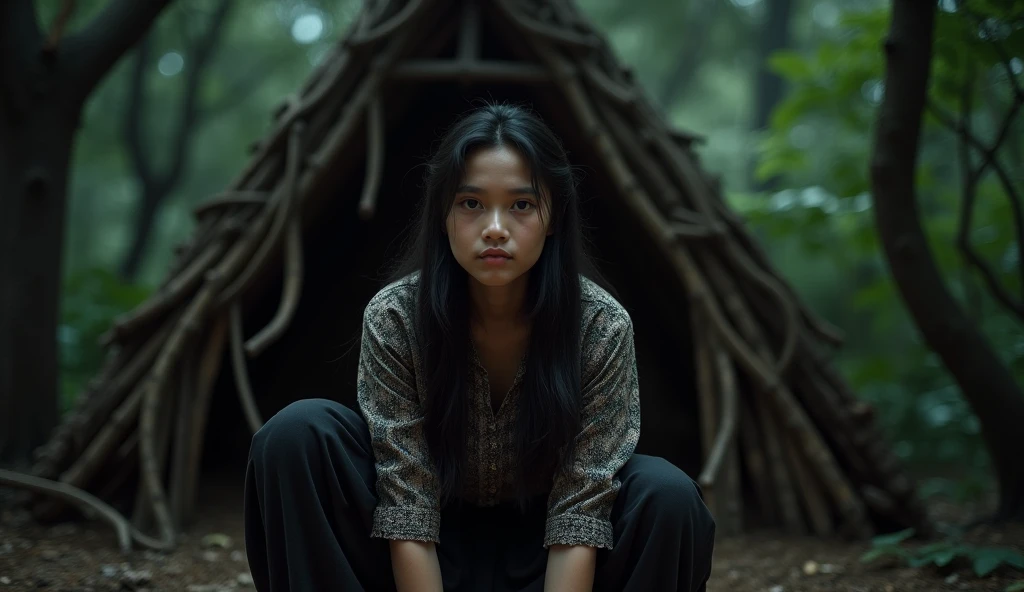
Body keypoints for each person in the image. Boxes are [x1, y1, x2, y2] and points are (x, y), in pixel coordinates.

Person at [243, 102, 716, 592]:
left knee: (668, 496)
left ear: (553, 218)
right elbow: (407, 503)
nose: (494, 227)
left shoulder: (601, 326)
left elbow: (581, 509)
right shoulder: (395, 317)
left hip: (553, 561)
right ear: (444, 215)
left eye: (521, 205)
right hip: (417, 555)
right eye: (471, 203)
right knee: (295, 434)